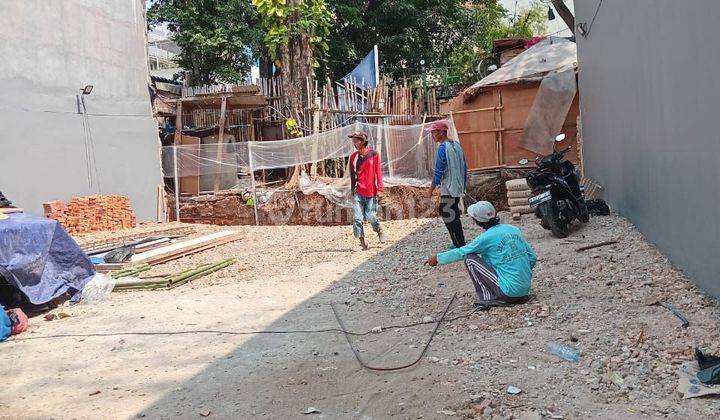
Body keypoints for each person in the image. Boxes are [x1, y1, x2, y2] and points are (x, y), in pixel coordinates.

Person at [425, 201, 536, 305]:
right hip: (525, 289)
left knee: (469, 258)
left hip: (508, 293)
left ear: (476, 221)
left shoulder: (485, 238)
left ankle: (488, 297)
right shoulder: (513, 229)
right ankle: (515, 290)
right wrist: (520, 275)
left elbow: (462, 252)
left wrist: (438, 258)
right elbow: (532, 257)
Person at [425, 120, 467, 249]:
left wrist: (430, 190)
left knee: (447, 212)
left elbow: (438, 171)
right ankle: (460, 242)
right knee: (451, 212)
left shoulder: (443, 148)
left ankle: (458, 243)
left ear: (441, 132)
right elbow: (464, 166)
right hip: (457, 185)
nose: (432, 135)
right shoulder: (456, 145)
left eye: (434, 132)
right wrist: (463, 183)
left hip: (449, 187)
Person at [348, 130, 386, 250]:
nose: (354, 143)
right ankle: (362, 242)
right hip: (358, 192)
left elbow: (378, 173)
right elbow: (352, 175)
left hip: (371, 192)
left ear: (363, 141)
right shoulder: (353, 157)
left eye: (356, 140)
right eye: (353, 140)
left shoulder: (374, 154)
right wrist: (352, 191)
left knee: (371, 216)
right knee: (357, 218)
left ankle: (379, 230)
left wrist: (380, 190)